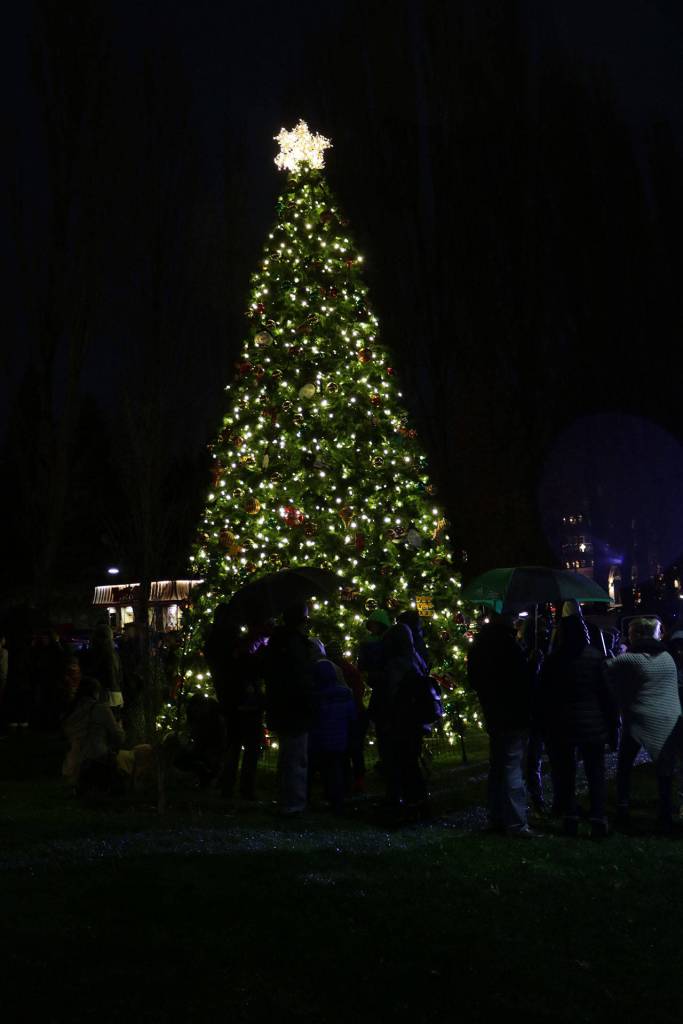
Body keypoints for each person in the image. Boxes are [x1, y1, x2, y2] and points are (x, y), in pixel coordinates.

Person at [539, 614, 618, 838]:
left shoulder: (553, 660)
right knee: (595, 772)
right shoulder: (595, 658)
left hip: (563, 724)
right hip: (593, 724)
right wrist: (613, 727)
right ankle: (598, 818)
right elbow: (607, 695)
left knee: (566, 773)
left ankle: (570, 817)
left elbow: (545, 696)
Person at [606, 617, 683, 830]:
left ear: (638, 635)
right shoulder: (667, 657)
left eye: (630, 634)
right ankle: (665, 812)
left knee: (624, 765)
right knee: (665, 770)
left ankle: (622, 807)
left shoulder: (632, 659)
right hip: (668, 719)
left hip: (639, 719)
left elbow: (605, 668)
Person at [467, 612, 538, 837]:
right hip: (513, 714)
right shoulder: (509, 646)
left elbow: (474, 680)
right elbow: (521, 681)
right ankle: (516, 822)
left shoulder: (479, 646)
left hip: (493, 712)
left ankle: (496, 816)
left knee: (497, 766)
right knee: (511, 767)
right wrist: (533, 664)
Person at [204, 606, 265, 802]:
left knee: (233, 743)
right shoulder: (230, 643)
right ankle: (244, 788)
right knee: (250, 743)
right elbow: (245, 667)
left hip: (229, 699)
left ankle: (228, 786)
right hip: (242, 699)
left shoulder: (215, 641)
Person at [264, 604, 314, 815]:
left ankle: (285, 797)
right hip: (295, 708)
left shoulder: (278, 642)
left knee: (287, 755)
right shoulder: (295, 645)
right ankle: (293, 802)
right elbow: (299, 678)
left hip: (283, 706)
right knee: (296, 757)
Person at [382, 622, 433, 819]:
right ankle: (419, 802)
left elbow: (393, 692)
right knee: (411, 761)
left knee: (406, 763)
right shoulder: (416, 657)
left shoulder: (397, 663)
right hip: (416, 719)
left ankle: (413, 804)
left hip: (403, 719)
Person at [308, 641, 356, 811]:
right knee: (336, 768)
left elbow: (314, 718)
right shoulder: (345, 695)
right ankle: (337, 799)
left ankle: (315, 797)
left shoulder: (317, 698)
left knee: (318, 767)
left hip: (320, 741)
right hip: (339, 741)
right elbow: (352, 716)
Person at [62, 676, 127, 795]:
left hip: (72, 764)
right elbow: (119, 736)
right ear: (96, 692)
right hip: (95, 759)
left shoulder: (71, 711)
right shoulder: (100, 709)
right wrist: (118, 725)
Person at [358, 608, 392, 774]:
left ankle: (388, 760)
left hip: (385, 689)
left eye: (375, 625)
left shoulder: (387, 642)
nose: (373, 628)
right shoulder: (367, 643)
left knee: (386, 727)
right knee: (381, 727)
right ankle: (385, 759)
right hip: (380, 687)